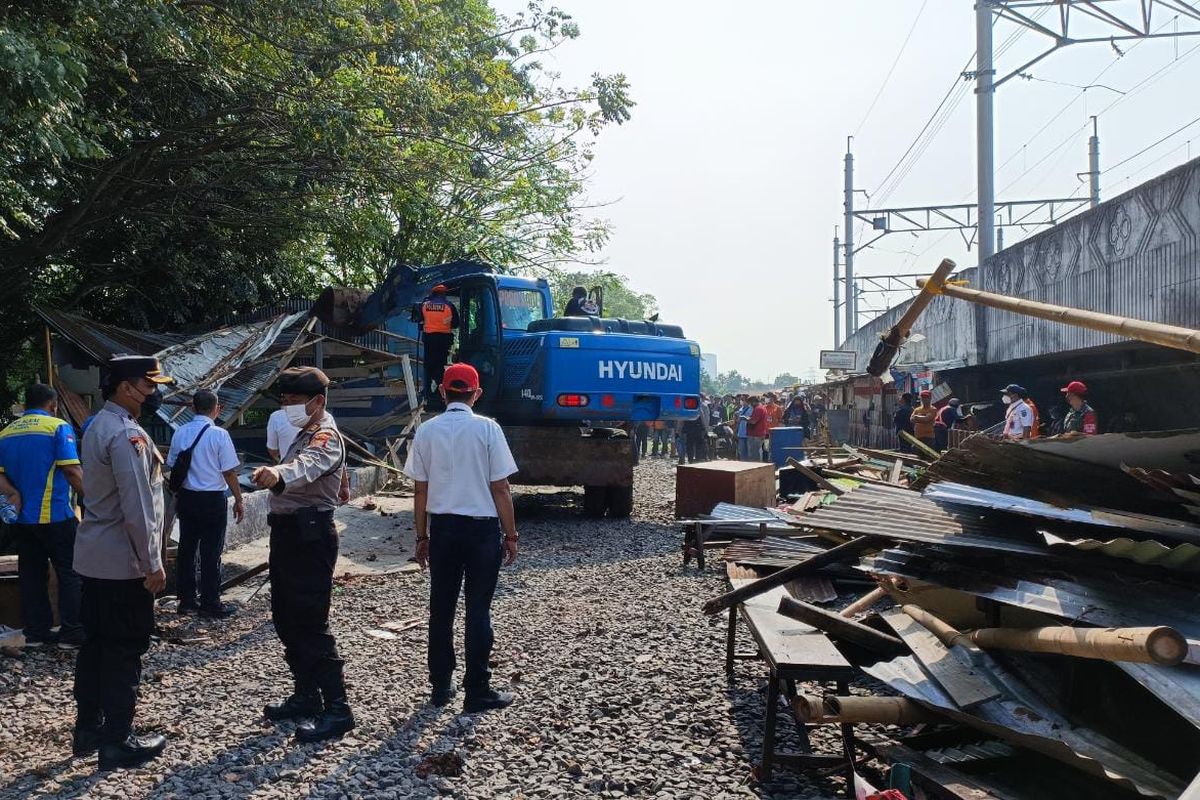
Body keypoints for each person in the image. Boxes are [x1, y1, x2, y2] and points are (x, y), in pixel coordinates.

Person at [72, 356, 173, 770]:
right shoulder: (126, 435)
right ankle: (117, 740)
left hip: (95, 560)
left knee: (95, 647)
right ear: (126, 388)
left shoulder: (97, 424)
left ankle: (88, 730)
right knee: (124, 650)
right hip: (123, 563)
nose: (154, 394)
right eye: (148, 386)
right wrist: (153, 563)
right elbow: (138, 506)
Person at [403, 363, 519, 713]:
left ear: (442, 392)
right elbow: (500, 487)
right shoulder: (488, 429)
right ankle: (477, 690)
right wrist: (511, 534)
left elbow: (420, 490)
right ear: (476, 393)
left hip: (443, 530)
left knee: (441, 609)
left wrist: (421, 536)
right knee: (478, 609)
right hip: (481, 531)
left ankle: (441, 686)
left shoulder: (426, 431)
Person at [251, 367, 355, 743]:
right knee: (286, 618)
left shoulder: (325, 436)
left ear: (318, 402)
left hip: (310, 537)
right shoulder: (303, 433)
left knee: (310, 622)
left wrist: (277, 475)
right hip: (289, 534)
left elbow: (303, 467)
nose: (287, 409)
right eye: (285, 402)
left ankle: (338, 709)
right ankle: (306, 695)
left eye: (294, 402)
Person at [0, 383, 85, 649]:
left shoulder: (5, 433)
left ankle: (37, 633)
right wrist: (95, 501)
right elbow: (72, 472)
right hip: (56, 514)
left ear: (26, 405)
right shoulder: (57, 427)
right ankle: (71, 633)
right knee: (70, 572)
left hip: (21, 519)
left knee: (32, 574)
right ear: (53, 405)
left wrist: (13, 493)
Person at [166, 389, 244, 619]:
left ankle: (187, 601)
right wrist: (239, 499)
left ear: (192, 407)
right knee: (211, 551)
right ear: (217, 409)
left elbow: (172, 464)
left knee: (187, 549)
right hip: (212, 500)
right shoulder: (219, 434)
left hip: (187, 498)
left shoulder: (180, 432)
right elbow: (229, 471)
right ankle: (210, 602)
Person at [420, 285, 459, 397]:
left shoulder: (425, 305)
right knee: (440, 364)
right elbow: (456, 323)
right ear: (444, 294)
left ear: (433, 293)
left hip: (429, 339)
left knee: (428, 365)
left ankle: (427, 391)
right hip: (443, 340)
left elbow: (420, 319)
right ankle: (439, 391)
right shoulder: (449, 306)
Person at [746, 396, 769, 462]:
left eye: (750, 403)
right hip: (758, 433)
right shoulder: (762, 408)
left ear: (753, 402)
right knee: (756, 452)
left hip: (756, 434)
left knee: (754, 453)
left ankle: (756, 469)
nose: (750, 405)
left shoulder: (758, 409)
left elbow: (753, 421)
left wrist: (745, 419)